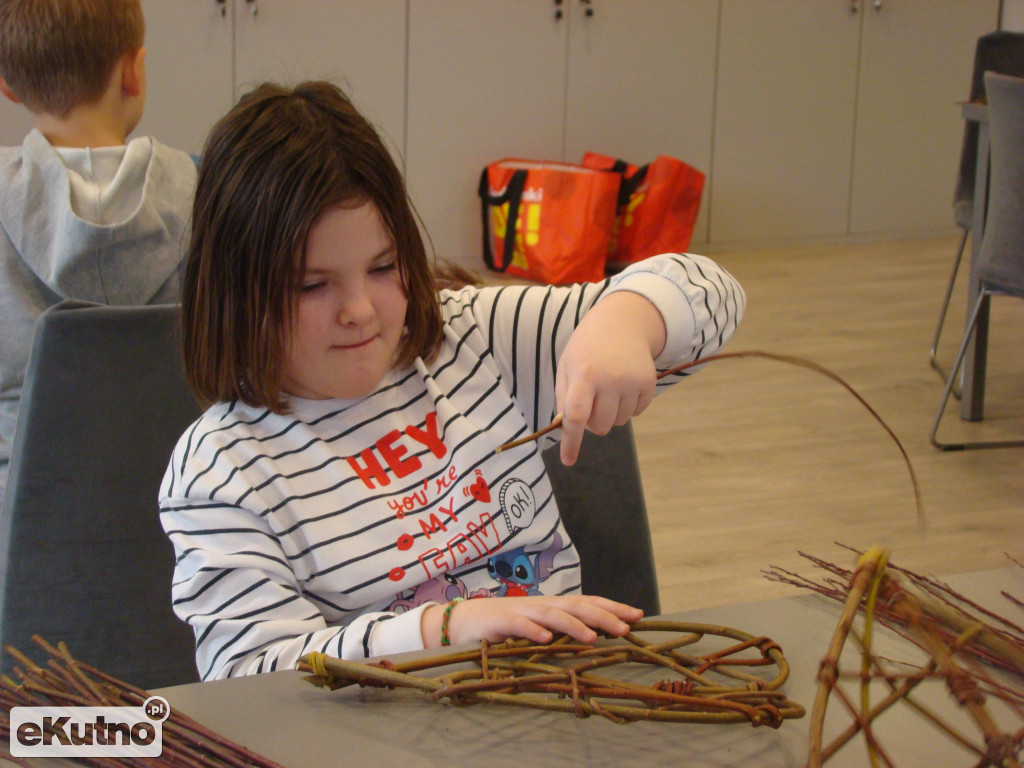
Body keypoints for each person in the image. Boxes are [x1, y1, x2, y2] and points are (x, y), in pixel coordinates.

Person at [159, 80, 746, 681]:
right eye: (313, 284)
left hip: (564, 698)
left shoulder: (473, 341)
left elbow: (711, 293)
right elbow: (246, 676)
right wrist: (441, 629)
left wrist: (628, 321)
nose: (359, 308)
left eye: (383, 267)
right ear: (236, 294)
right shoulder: (221, 471)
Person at [0, 0, 198, 499]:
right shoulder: (205, 189)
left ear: (8, 86)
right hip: (184, 511)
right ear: (134, 71)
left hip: (17, 529)